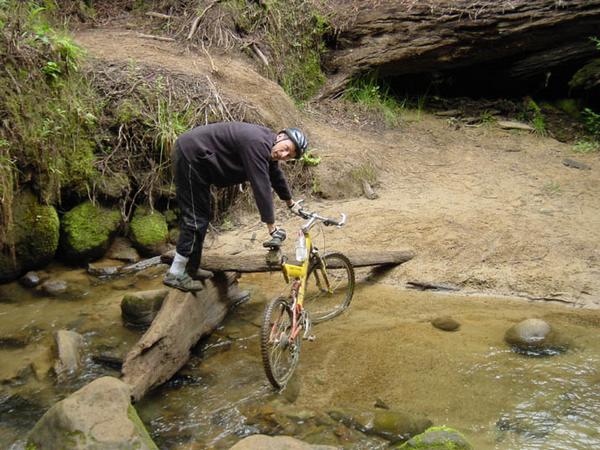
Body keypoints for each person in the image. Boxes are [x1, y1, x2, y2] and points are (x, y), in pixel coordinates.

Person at [163, 121, 308, 292]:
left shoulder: (266, 146)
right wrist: (272, 228)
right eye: (285, 148)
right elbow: (260, 185)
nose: (283, 155)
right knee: (195, 218)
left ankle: (191, 269)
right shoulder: (257, 143)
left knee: (202, 215)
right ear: (280, 136)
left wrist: (290, 203)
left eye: (289, 155)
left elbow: (275, 175)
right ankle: (175, 273)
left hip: (199, 161)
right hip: (191, 154)